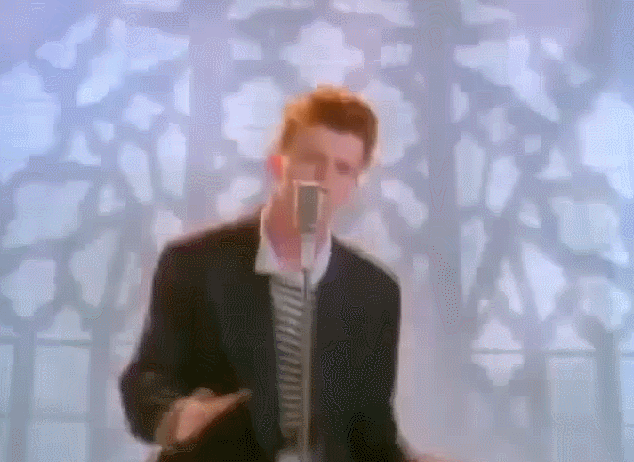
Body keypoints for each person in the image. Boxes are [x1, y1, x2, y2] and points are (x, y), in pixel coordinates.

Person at [119, 85, 458, 462]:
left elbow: (371, 434)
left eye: (343, 169)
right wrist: (184, 416)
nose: (323, 179)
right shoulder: (195, 264)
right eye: (312, 160)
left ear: (353, 186)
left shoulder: (374, 291)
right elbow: (145, 383)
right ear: (278, 164)